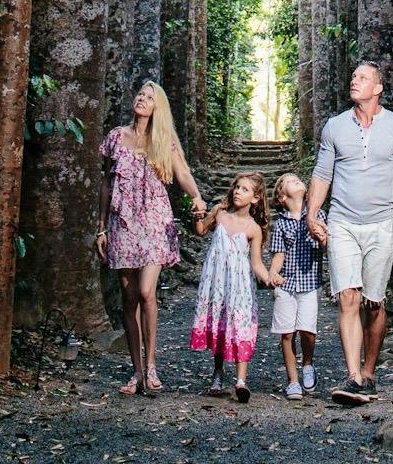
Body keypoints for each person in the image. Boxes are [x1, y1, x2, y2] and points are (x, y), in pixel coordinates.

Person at [306, 60, 393, 405]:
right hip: (341, 222)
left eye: (362, 78)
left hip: (382, 225)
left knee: (374, 302)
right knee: (348, 297)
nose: (354, 81)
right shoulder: (335, 126)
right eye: (353, 76)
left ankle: (369, 372)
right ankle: (353, 376)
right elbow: (322, 174)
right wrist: (312, 214)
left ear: (378, 88)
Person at [97, 80, 206, 396]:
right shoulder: (117, 138)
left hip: (155, 223)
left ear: (158, 107)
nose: (142, 99)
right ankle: (137, 373)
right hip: (122, 225)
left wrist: (197, 197)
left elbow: (182, 174)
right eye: (140, 94)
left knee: (146, 292)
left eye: (149, 97)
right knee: (129, 298)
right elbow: (106, 183)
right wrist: (101, 226)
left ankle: (153, 365)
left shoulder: (163, 141)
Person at [190, 173, 282, 402]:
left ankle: (241, 380)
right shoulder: (220, 215)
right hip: (217, 282)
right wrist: (197, 216)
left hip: (240, 286)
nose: (238, 191)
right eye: (237, 187)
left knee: (240, 325)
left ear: (256, 198)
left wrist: (270, 278)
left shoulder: (254, 229)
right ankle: (218, 372)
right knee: (220, 324)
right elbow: (201, 230)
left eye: (245, 189)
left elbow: (257, 264)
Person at [269, 171, 320, 398]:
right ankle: (293, 381)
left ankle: (307, 364)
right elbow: (279, 254)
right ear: (281, 197)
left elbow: (326, 243)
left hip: (310, 283)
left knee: (307, 331)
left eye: (298, 179)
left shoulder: (318, 215)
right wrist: (273, 273)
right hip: (287, 284)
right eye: (289, 181)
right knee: (287, 333)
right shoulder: (280, 224)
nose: (296, 180)